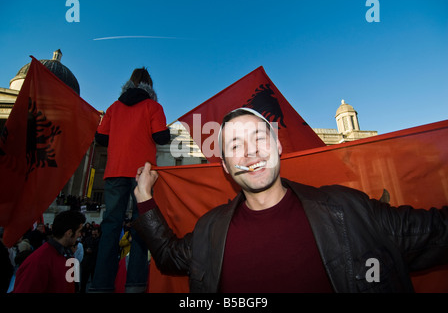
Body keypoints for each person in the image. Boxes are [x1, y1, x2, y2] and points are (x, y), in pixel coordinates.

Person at [132, 107, 448, 293]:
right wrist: (144, 198)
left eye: (259, 138)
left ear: (278, 147)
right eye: (235, 145)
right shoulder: (208, 231)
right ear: (226, 166)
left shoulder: (350, 210)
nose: (251, 152)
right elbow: (168, 256)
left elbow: (438, 231)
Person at [90, 67, 170, 293]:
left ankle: (101, 284)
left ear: (129, 83)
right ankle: (135, 283)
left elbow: (100, 138)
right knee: (141, 226)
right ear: (150, 86)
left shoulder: (113, 108)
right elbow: (161, 137)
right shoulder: (153, 107)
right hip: (141, 173)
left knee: (110, 227)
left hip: (115, 171)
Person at [13, 210, 86, 293]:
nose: (80, 235)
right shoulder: (39, 260)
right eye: (79, 231)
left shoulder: (68, 256)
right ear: (69, 233)